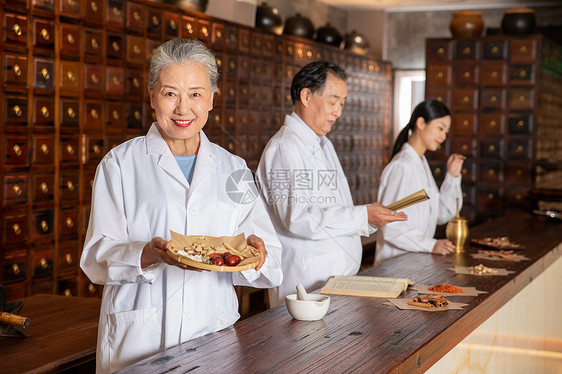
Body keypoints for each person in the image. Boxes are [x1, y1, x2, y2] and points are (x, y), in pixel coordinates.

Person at [80, 39, 283, 373]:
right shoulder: (120, 164)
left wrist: (255, 255)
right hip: (140, 338)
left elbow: (272, 261)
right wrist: (148, 252)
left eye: (195, 94)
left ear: (212, 100)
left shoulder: (234, 169)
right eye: (170, 93)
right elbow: (96, 258)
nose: (182, 108)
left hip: (212, 333)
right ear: (152, 97)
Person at [256, 61, 407, 307]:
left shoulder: (323, 143)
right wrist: (362, 216)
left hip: (335, 281)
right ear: (306, 96)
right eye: (332, 101)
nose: (338, 111)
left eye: (342, 104)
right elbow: (297, 218)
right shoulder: (286, 147)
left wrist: (368, 218)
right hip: (306, 284)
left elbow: (336, 207)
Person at [374, 99, 464, 265]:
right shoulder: (403, 166)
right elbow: (390, 226)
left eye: (446, 131)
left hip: (414, 263)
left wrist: (452, 178)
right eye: (440, 128)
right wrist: (431, 245)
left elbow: (442, 214)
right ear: (421, 123)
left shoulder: (421, 164)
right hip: (394, 267)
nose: (443, 136)